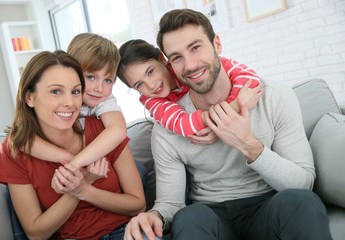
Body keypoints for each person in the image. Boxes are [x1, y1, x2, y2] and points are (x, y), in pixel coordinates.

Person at [124, 9, 332, 240]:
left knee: (301, 201)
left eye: (195, 48)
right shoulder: (168, 127)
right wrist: (154, 215)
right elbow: (170, 204)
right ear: (170, 63)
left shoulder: (273, 96)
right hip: (211, 215)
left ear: (217, 44)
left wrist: (247, 144)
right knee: (189, 217)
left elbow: (303, 184)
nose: (190, 65)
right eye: (177, 57)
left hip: (269, 205)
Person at [0, 50, 146, 240]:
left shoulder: (104, 133)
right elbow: (36, 233)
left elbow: (138, 205)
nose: (69, 103)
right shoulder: (14, 151)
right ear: (29, 98)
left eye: (75, 92)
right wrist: (79, 186)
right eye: (56, 91)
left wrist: (86, 190)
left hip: (124, 231)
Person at [117, 39, 262, 145]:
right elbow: (182, 124)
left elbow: (249, 78)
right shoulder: (150, 100)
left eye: (150, 72)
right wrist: (234, 108)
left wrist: (216, 123)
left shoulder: (189, 67)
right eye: (139, 84)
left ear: (162, 59)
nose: (151, 85)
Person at [23, 33, 128, 171]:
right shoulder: (57, 102)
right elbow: (22, 141)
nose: (99, 88)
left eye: (108, 80)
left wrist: (75, 164)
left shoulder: (105, 100)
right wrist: (71, 159)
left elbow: (118, 130)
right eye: (90, 77)